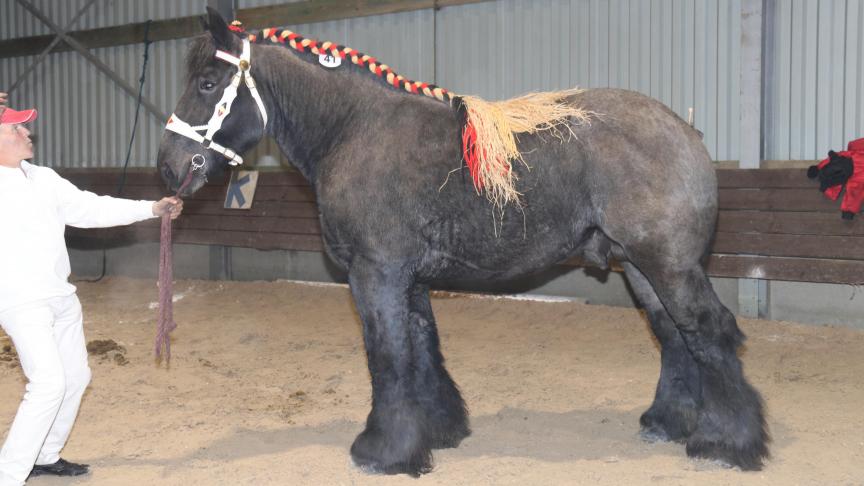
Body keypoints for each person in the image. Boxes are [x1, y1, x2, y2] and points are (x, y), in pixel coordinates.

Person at [0, 94, 183, 486]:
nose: (27, 131)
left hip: (61, 297)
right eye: (16, 127)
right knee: (48, 383)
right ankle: (8, 475)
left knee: (76, 377)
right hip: (20, 301)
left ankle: (45, 456)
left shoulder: (44, 179)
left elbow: (92, 208)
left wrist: (150, 209)